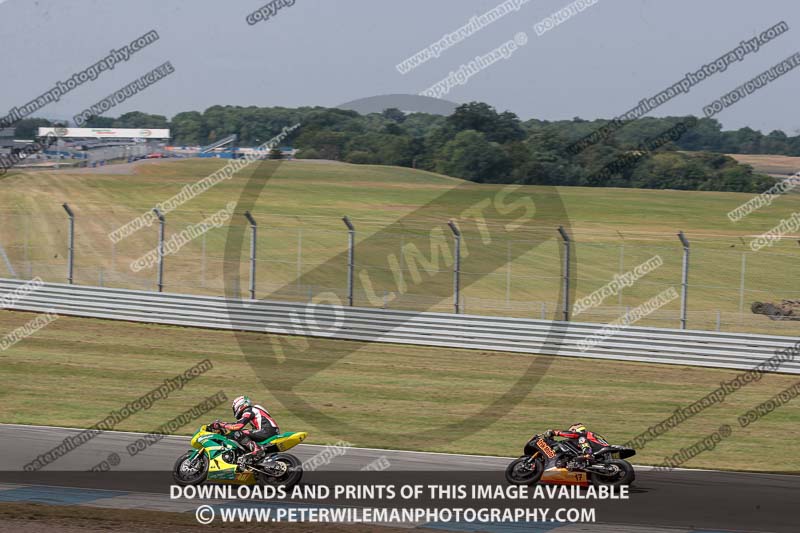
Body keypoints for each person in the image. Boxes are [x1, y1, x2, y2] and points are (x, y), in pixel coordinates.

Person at [211, 395, 280, 463]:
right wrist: (224, 424)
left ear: (239, 405)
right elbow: (236, 424)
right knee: (243, 433)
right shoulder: (254, 410)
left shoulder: (249, 410)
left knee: (237, 433)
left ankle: (257, 450)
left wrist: (222, 425)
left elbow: (238, 426)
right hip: (270, 431)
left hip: (266, 431)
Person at [544, 423, 608, 467]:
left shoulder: (582, 434)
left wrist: (555, 432)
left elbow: (572, 434)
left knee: (581, 439)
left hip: (599, 451)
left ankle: (588, 455)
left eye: (571, 431)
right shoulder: (589, 435)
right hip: (600, 451)